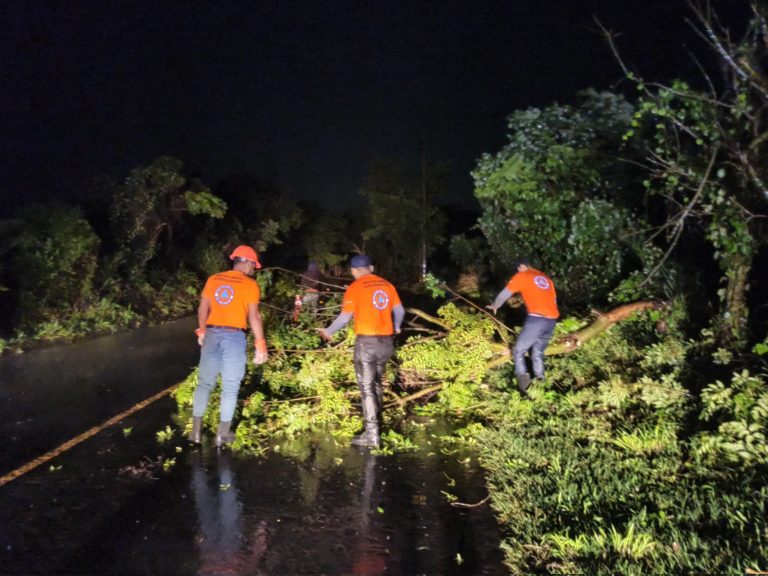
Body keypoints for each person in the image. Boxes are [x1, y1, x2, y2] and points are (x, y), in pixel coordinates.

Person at [318, 254, 405, 448]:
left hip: (367, 344)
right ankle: (377, 426)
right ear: (371, 268)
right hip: (386, 343)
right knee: (376, 384)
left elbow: (344, 317)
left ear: (353, 271)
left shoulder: (354, 288)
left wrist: (328, 331)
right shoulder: (387, 285)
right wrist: (397, 326)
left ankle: (372, 435)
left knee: (366, 388)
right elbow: (399, 311)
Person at [190, 245, 269, 447]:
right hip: (233, 337)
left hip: (212, 335)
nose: (254, 270)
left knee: (205, 384)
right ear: (248, 263)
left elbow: (202, 310)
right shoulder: (250, 285)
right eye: (254, 266)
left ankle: (196, 434)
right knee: (230, 387)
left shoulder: (214, 279)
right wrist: (261, 344)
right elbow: (254, 316)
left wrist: (202, 331)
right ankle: (222, 435)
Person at [487, 258, 559, 396]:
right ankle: (541, 383)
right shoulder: (546, 279)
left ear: (522, 267)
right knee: (537, 352)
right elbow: (554, 301)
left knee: (518, 351)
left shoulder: (523, 275)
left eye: (518, 268)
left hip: (536, 319)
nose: (517, 270)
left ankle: (524, 388)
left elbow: (506, 293)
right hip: (551, 320)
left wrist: (495, 305)